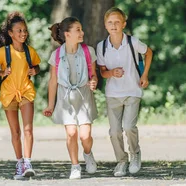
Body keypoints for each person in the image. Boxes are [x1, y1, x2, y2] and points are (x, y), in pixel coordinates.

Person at [95, 7, 153, 177]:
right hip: (113, 94)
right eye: (110, 22)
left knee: (128, 127)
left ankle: (135, 154)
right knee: (114, 132)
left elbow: (149, 53)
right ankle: (121, 161)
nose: (114, 25)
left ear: (123, 24)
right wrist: (112, 73)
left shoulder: (132, 42)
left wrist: (144, 75)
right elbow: (103, 73)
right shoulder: (102, 46)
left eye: (117, 22)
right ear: (105, 25)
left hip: (132, 91)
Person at [43, 17, 98, 180]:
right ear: (67, 34)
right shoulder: (57, 55)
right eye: (78, 30)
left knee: (85, 136)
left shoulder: (88, 51)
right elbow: (53, 81)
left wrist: (94, 81)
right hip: (65, 99)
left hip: (84, 97)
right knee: (71, 133)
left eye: (81, 29)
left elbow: (93, 74)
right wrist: (50, 105)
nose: (82, 33)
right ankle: (75, 166)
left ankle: (88, 154)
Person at [0, 11, 41, 180]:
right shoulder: (3, 52)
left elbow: (37, 66)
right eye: (19, 31)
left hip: (26, 91)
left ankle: (28, 162)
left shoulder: (30, 51)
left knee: (28, 129)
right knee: (16, 132)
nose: (23, 33)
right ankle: (19, 163)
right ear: (10, 33)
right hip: (9, 94)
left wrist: (35, 70)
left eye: (24, 30)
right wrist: (2, 72)